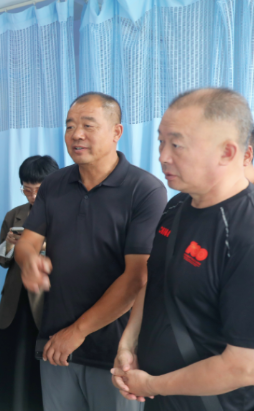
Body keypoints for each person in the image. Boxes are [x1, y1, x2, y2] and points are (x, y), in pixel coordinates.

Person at [16, 92, 167, 411]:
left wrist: (77, 332)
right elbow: (28, 242)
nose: (76, 134)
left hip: (115, 353)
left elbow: (136, 277)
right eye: (70, 126)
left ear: (116, 132)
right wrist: (28, 260)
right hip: (56, 345)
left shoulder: (145, 190)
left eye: (88, 125)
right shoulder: (54, 184)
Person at [111, 88, 254, 410]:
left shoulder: (245, 233)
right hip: (158, 399)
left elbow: (244, 365)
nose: (163, 156)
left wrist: (152, 385)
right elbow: (155, 280)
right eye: (161, 142)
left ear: (227, 152)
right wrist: (128, 344)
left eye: (176, 145)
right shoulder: (176, 205)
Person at [0, 155, 59, 411]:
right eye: (27, 190)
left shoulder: (66, 215)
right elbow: (2, 260)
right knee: (12, 361)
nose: (32, 196)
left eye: (38, 190)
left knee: (41, 365)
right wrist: (10, 244)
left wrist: (42, 249)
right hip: (15, 300)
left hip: (48, 300)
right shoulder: (15, 215)